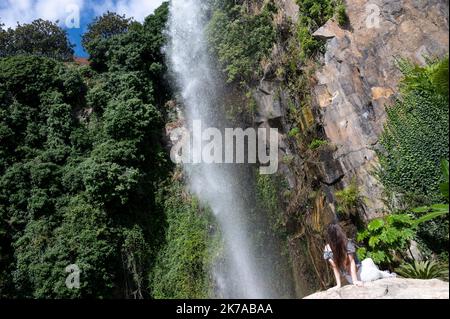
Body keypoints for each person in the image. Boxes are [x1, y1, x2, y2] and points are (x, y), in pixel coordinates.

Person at [324, 223, 395, 290]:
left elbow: (346, 264)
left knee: (369, 260)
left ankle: (379, 272)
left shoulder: (338, 246)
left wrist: (344, 283)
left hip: (357, 270)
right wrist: (353, 281)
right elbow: (340, 265)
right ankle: (386, 275)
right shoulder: (336, 247)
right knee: (376, 273)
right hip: (354, 275)